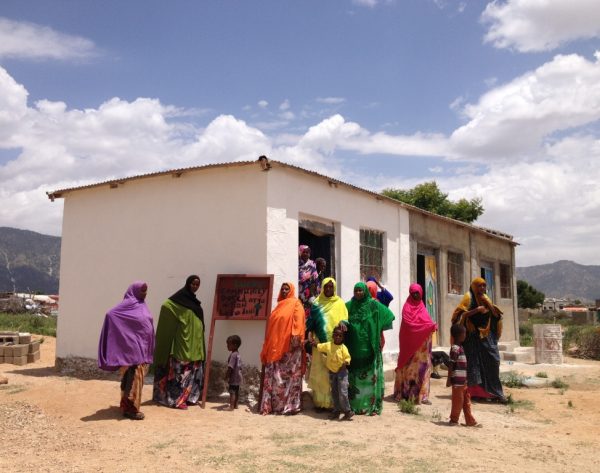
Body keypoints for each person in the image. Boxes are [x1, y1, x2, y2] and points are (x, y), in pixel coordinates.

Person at [98, 281, 155, 420]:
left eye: (146, 291)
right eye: (142, 291)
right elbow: (111, 314)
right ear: (134, 291)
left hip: (142, 348)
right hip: (132, 350)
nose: (145, 293)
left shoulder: (142, 305)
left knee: (134, 377)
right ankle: (130, 409)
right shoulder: (127, 304)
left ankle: (127, 405)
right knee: (134, 377)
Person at [153, 275, 206, 409]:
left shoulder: (195, 303)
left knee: (191, 373)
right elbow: (166, 305)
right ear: (188, 284)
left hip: (195, 345)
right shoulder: (177, 301)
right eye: (193, 284)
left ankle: (187, 398)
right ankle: (176, 400)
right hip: (182, 344)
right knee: (179, 374)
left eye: (197, 285)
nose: (195, 286)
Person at [451, 277, 506, 403]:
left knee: (493, 361)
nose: (482, 288)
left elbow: (493, 316)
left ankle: (493, 392)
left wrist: (494, 311)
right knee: (474, 366)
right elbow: (459, 315)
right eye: (479, 286)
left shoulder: (486, 298)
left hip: (486, 337)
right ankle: (476, 393)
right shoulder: (468, 298)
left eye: (484, 286)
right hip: (472, 338)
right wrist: (476, 310)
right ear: (474, 286)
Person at [344, 282, 395, 415]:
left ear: (365, 291)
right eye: (356, 290)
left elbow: (388, 315)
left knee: (369, 379)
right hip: (353, 350)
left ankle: (370, 405)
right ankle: (355, 406)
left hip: (370, 349)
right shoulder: (348, 306)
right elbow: (341, 319)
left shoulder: (373, 304)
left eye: (361, 290)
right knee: (354, 379)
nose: (359, 293)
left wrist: (377, 326)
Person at [259, 282, 306, 415]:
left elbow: (299, 321)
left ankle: (291, 406)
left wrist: (295, 340)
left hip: (290, 350)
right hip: (276, 348)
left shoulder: (296, 304)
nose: (284, 291)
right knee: (277, 379)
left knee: (290, 378)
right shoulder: (278, 306)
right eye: (283, 289)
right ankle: (276, 406)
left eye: (287, 289)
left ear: (291, 290)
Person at [306, 277, 348, 410]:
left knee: (333, 371)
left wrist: (343, 324)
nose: (329, 289)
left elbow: (345, 319)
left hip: (335, 344)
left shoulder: (340, 303)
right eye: (326, 287)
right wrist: (309, 336)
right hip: (319, 343)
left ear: (334, 288)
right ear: (323, 288)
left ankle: (332, 404)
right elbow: (311, 323)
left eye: (331, 287)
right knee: (320, 373)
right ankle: (319, 402)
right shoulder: (317, 303)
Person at [393, 283, 437, 405]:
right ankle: (405, 394)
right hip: (409, 346)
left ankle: (422, 396)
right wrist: (427, 327)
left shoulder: (423, 307)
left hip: (421, 349)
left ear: (421, 293)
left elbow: (426, 323)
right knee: (408, 369)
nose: (416, 295)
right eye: (413, 293)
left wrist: (430, 327)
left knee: (422, 370)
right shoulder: (407, 307)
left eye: (418, 293)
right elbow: (410, 325)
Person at [314, 326, 353, 421]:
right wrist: (312, 343)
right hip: (332, 373)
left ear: (342, 337)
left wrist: (345, 363)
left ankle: (347, 411)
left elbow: (348, 358)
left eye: (340, 336)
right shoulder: (328, 345)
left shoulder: (343, 348)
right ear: (333, 336)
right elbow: (319, 346)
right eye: (336, 335)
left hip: (342, 373)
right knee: (334, 392)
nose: (338, 337)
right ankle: (336, 411)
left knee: (343, 392)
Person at [447, 324, 480, 427]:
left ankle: (470, 420)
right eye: (464, 333)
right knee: (458, 401)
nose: (465, 335)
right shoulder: (455, 348)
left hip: (463, 381)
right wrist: (449, 379)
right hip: (457, 381)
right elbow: (451, 364)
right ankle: (453, 420)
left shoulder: (461, 347)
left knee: (466, 401)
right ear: (458, 335)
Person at [298, 245, 319, 318]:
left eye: (308, 252)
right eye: (304, 252)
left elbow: (316, 278)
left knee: (309, 310)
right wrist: (305, 277)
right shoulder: (296, 264)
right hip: (299, 291)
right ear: (300, 252)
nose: (306, 254)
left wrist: (315, 292)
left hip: (310, 291)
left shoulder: (312, 264)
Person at [225, 335, 242, 410]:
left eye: (229, 344)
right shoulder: (238, 354)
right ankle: (236, 405)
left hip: (233, 377)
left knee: (232, 392)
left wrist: (227, 376)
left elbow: (230, 367)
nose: (227, 346)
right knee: (236, 391)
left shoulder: (233, 355)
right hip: (238, 376)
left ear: (235, 345)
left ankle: (231, 406)